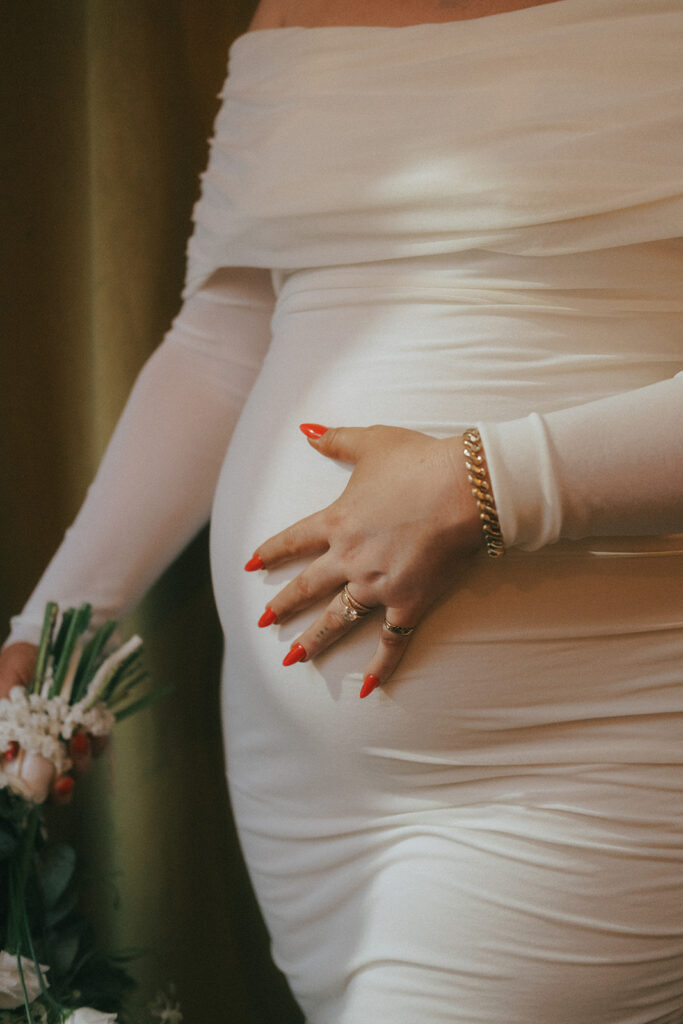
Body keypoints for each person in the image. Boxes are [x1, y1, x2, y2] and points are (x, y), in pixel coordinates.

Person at [2, 0, 683, 1020]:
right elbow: (224, 339)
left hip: (573, 742)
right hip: (310, 796)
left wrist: (488, 483)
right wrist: (50, 638)